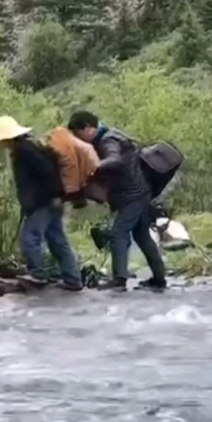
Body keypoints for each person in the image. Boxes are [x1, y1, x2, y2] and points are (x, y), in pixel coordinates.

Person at [67, 110, 166, 291]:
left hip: (133, 196)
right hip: (139, 193)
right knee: (142, 236)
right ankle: (159, 279)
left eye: (78, 134)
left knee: (118, 233)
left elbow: (115, 161)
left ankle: (119, 279)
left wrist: (92, 168)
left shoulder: (108, 140)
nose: (78, 139)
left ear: (89, 128)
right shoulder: (110, 137)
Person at [0, 115, 83, 291]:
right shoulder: (27, 149)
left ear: (8, 138)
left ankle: (38, 276)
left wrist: (50, 196)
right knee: (57, 240)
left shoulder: (26, 151)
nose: (1, 144)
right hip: (50, 201)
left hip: (44, 202)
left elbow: (47, 173)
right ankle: (73, 279)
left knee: (30, 238)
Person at [45, 126, 101, 208]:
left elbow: (69, 164)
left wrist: (72, 192)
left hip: (84, 181)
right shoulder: (66, 139)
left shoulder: (60, 143)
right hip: (88, 178)